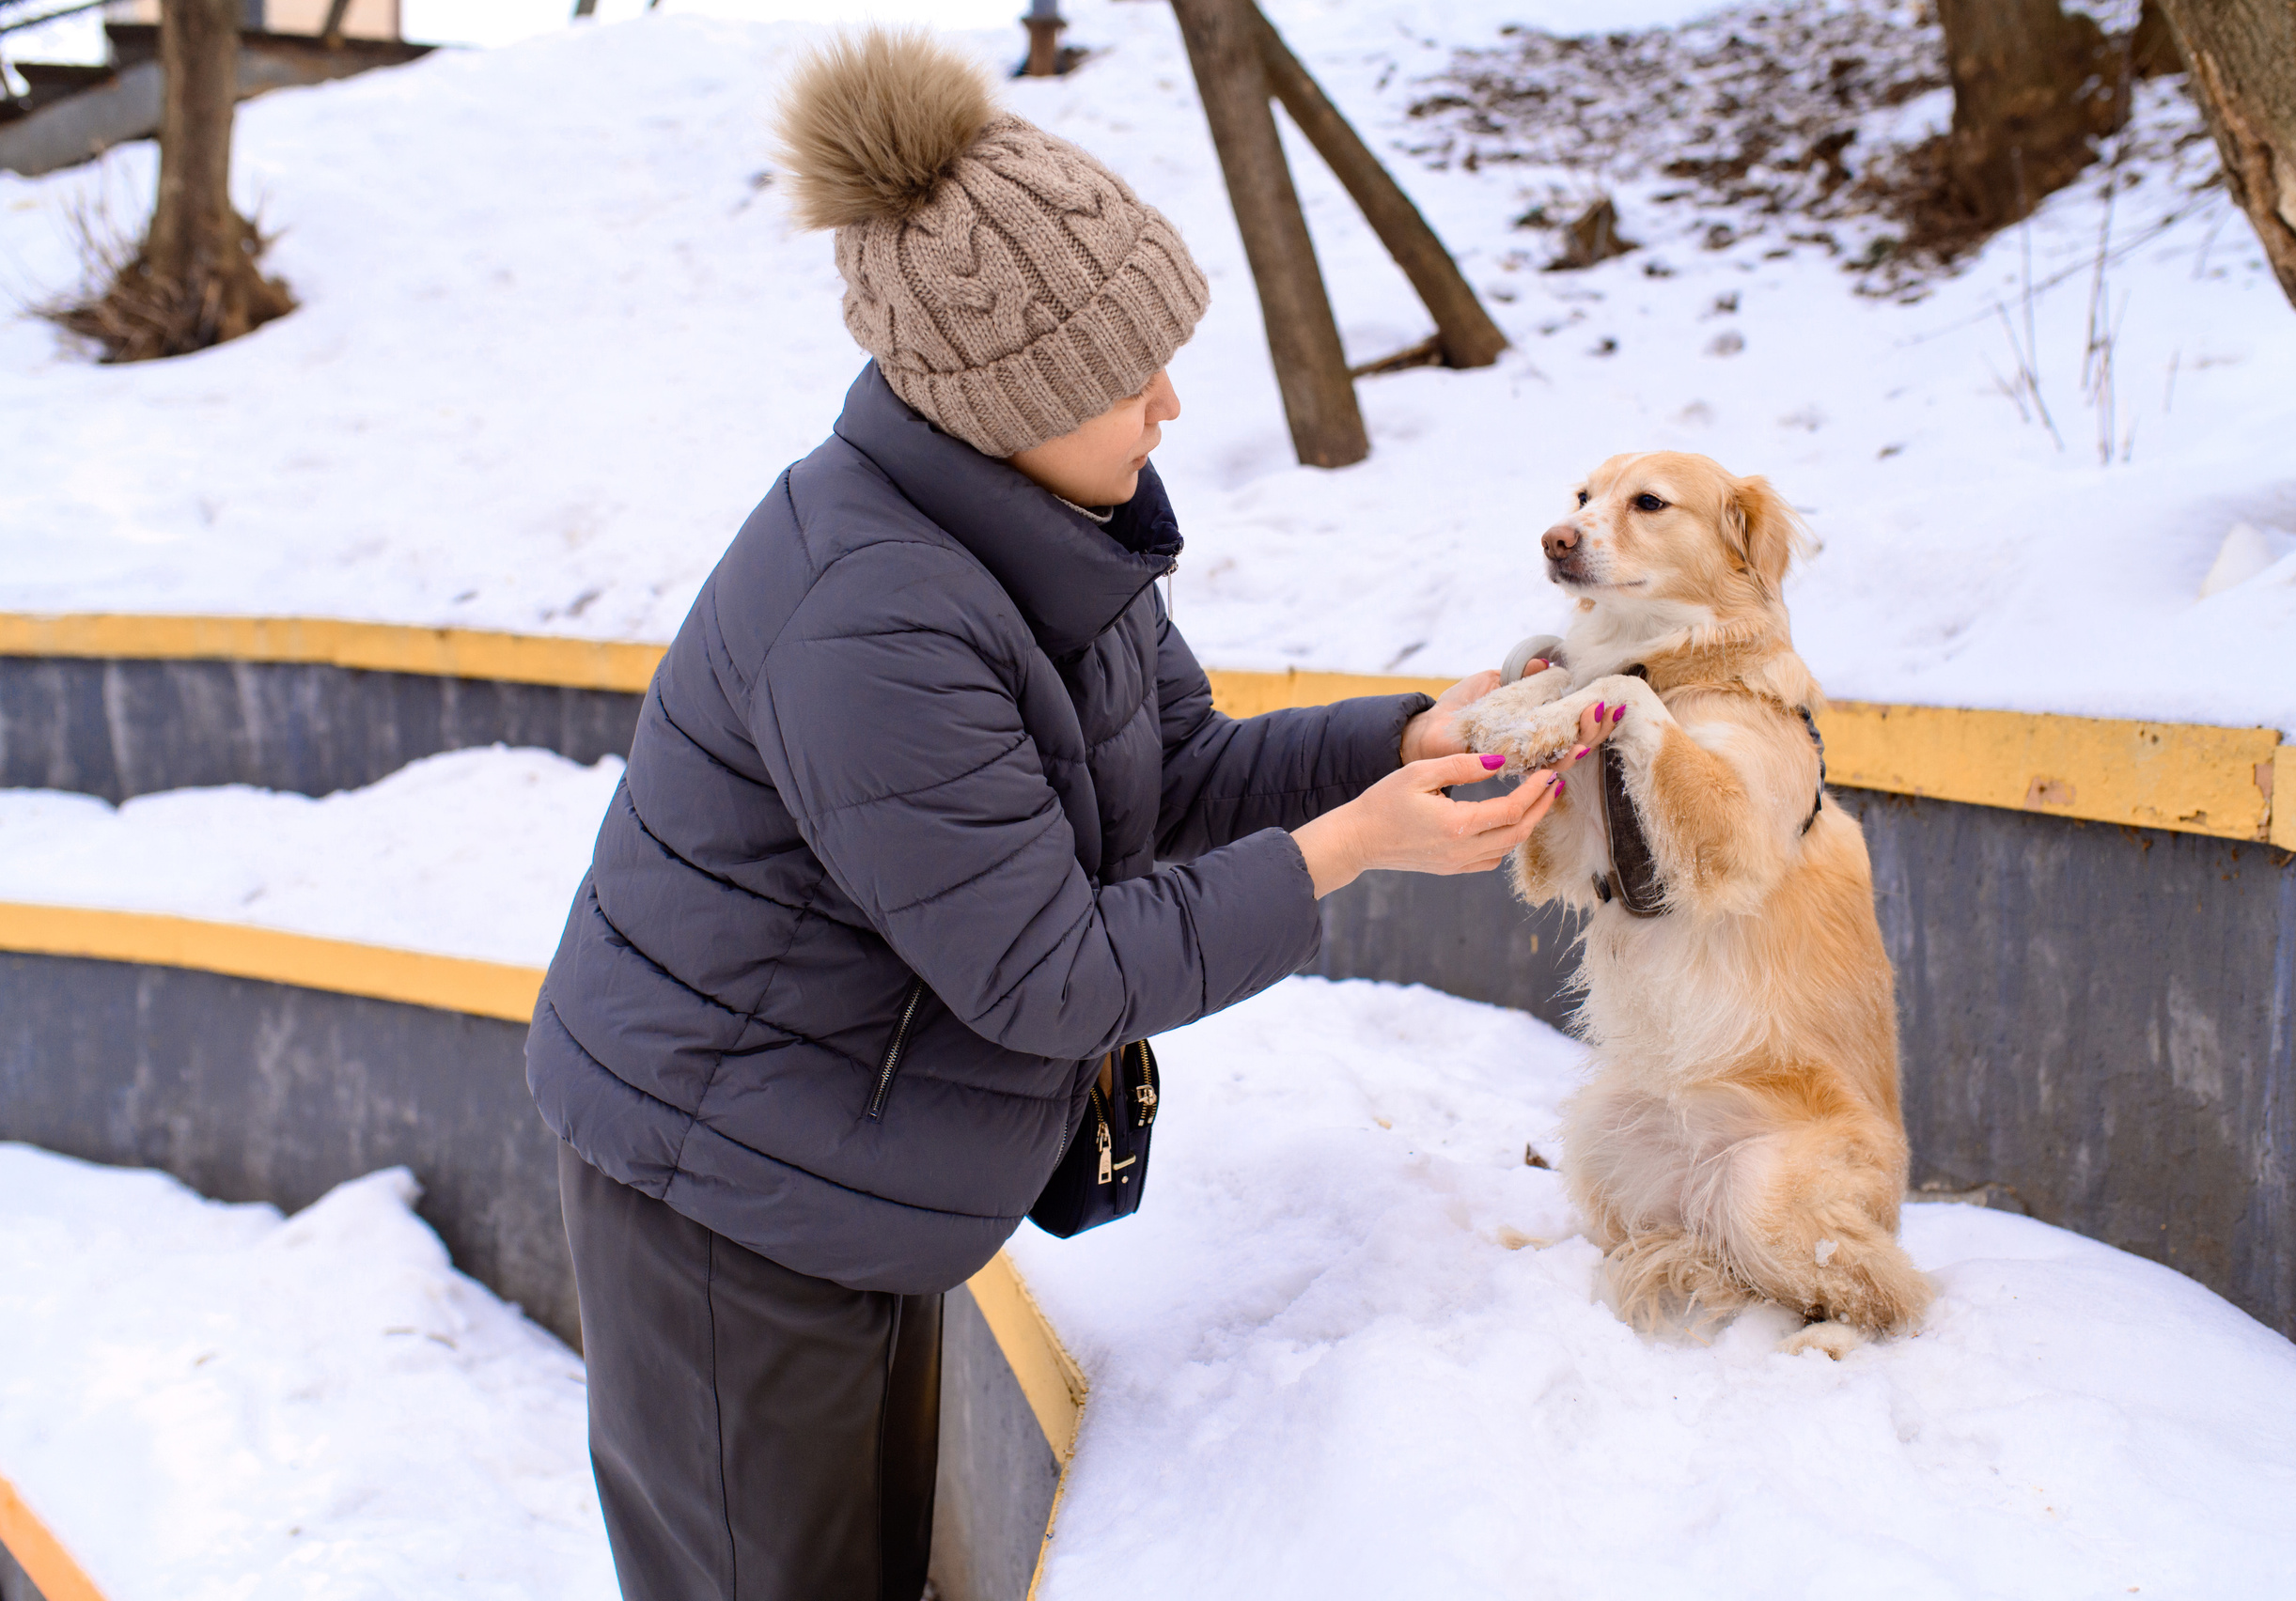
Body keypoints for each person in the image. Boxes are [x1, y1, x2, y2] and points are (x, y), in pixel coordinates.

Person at [526, 29, 1565, 1601]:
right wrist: (1349, 849)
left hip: (843, 1162)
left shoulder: (1048, 530)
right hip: (722, 1187)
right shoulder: (871, 617)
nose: (1167, 403)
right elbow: (1049, 974)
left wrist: (1399, 741)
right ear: (1007, 398)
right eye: (1126, 378)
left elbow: (1177, 773)